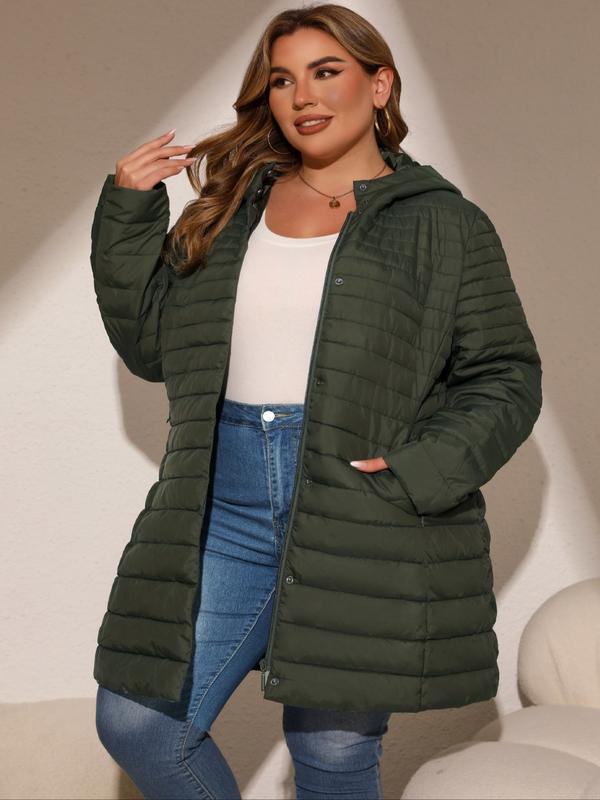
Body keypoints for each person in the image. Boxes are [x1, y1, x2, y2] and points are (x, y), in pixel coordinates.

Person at [91, 4, 542, 799]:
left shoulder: (444, 225)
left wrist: (415, 471)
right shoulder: (230, 210)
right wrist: (129, 212)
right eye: (282, 80)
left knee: (330, 750)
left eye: (326, 72)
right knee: (140, 722)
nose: (303, 96)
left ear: (380, 84)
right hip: (223, 501)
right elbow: (150, 348)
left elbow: (506, 373)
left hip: (359, 507)